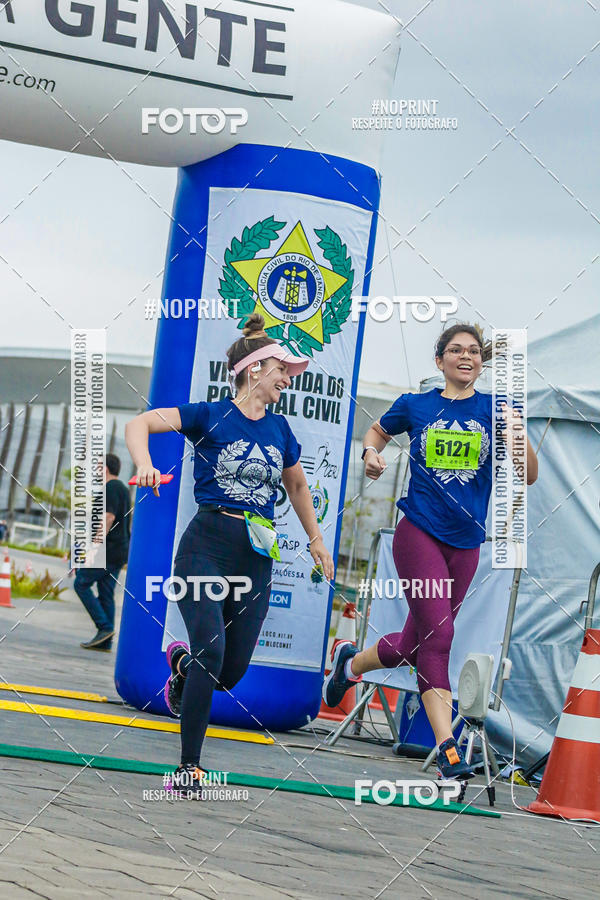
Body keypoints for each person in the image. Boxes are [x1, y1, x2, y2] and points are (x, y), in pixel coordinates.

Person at [125, 314, 334, 797]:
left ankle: (182, 670)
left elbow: (297, 485)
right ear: (255, 368)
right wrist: (145, 465)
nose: (287, 379)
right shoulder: (209, 414)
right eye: (282, 369)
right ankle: (190, 767)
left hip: (256, 555)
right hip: (207, 545)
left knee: (230, 671)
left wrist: (316, 539)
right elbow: (140, 423)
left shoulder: (281, 429)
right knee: (210, 650)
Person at [323, 323, 538, 780]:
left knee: (413, 645)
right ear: (439, 360)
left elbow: (529, 473)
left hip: (466, 544)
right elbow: (376, 432)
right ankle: (448, 751)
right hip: (418, 531)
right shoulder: (416, 406)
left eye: (474, 351)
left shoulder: (498, 409)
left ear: (482, 362)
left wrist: (517, 435)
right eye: (456, 350)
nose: (466, 357)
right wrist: (370, 455)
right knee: (438, 639)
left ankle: (351, 660)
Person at [74, 453, 131, 652]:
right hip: (118, 550)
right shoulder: (122, 489)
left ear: (105, 469)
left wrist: (94, 547)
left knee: (81, 583)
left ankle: (104, 627)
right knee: (106, 592)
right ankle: (105, 640)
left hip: (108, 550)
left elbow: (108, 518)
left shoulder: (111, 488)